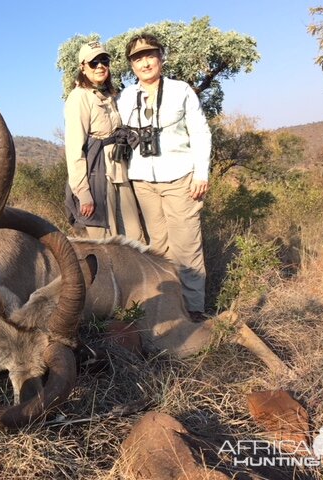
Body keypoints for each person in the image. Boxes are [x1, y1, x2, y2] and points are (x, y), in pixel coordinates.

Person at [117, 33, 212, 319]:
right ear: (131, 65)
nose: (145, 63)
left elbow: (200, 132)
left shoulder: (180, 90)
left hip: (180, 178)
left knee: (186, 248)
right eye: (137, 58)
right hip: (143, 181)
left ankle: (194, 312)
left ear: (160, 57)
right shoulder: (125, 97)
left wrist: (201, 173)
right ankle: (169, 310)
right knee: (158, 248)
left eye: (149, 55)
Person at [64, 40, 143, 240]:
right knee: (104, 241)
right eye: (94, 62)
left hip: (119, 170)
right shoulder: (78, 97)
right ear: (82, 67)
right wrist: (83, 192)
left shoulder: (110, 95)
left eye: (104, 60)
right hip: (97, 173)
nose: (100, 66)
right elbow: (74, 149)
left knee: (133, 235)